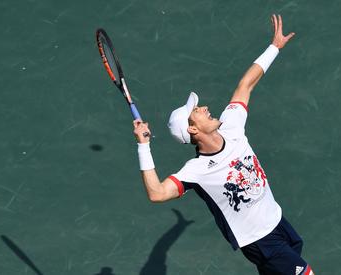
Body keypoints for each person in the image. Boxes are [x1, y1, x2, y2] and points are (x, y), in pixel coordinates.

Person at [133, 14, 314, 275]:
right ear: (192, 129)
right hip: (259, 240)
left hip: (277, 220)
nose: (205, 107)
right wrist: (143, 146)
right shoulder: (197, 170)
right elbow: (157, 193)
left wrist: (274, 46)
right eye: (196, 111)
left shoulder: (232, 125)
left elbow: (246, 85)